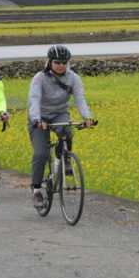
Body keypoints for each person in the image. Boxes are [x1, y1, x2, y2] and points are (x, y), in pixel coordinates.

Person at [28, 45, 94, 207]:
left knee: (67, 131)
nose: (61, 65)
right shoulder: (39, 78)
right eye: (57, 62)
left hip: (59, 114)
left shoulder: (73, 78)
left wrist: (87, 117)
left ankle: (64, 160)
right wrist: (36, 119)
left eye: (64, 62)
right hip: (40, 117)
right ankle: (36, 189)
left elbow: (80, 99)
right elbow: (34, 100)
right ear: (49, 62)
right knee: (41, 154)